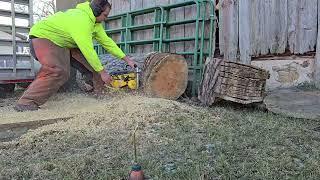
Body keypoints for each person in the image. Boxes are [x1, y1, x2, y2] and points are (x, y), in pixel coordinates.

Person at [14, 0, 135, 112]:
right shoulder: (81, 20)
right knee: (58, 71)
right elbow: (88, 49)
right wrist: (103, 73)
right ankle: (26, 102)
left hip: (65, 42)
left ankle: (100, 95)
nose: (105, 18)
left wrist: (126, 59)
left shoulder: (95, 23)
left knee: (93, 68)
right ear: (97, 11)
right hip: (43, 37)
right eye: (105, 15)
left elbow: (107, 43)